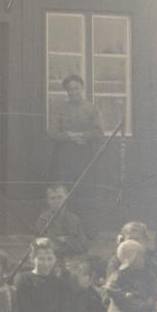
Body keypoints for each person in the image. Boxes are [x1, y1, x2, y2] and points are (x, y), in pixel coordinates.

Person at [47, 74, 104, 235]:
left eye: (76, 88)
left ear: (82, 88)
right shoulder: (59, 109)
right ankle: (65, 230)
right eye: (70, 89)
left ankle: (87, 231)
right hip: (65, 158)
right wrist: (70, 136)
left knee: (85, 191)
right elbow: (52, 132)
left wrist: (83, 136)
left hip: (85, 156)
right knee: (66, 191)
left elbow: (98, 131)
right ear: (66, 91)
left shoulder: (91, 108)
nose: (74, 92)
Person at [35, 184, 89, 260]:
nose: (56, 201)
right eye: (52, 198)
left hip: (73, 261)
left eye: (60, 197)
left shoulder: (74, 219)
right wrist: (71, 242)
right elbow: (47, 246)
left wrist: (65, 239)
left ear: (66, 198)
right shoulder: (43, 220)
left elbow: (84, 246)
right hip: (52, 262)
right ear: (48, 201)